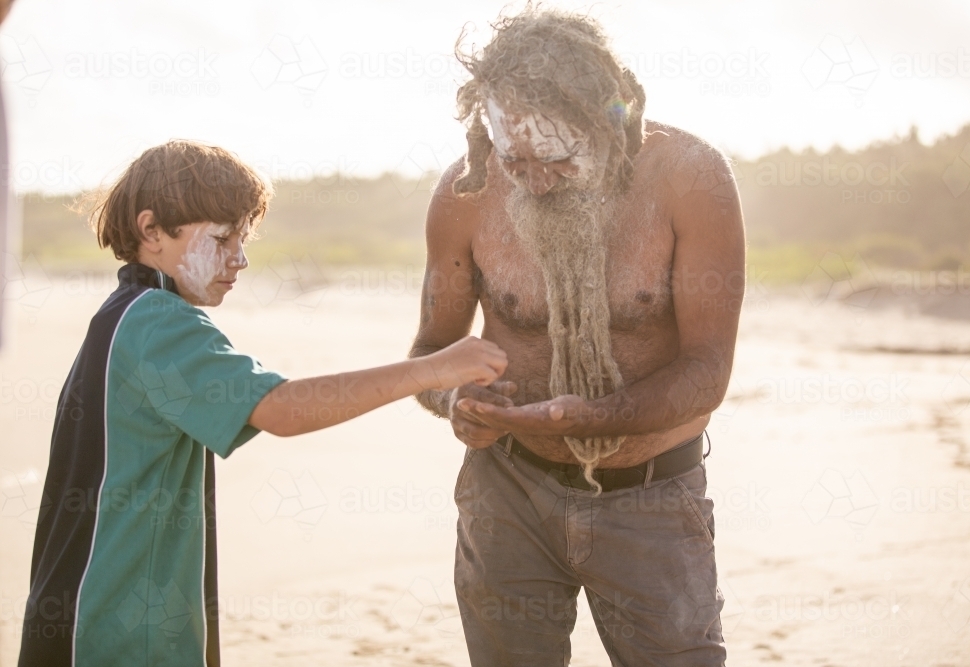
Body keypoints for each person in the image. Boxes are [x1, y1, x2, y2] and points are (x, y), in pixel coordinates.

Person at [18, 140, 507, 667]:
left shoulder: (122, 315)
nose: (241, 258)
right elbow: (282, 409)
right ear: (151, 230)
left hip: (83, 609)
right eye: (223, 239)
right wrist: (432, 368)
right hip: (118, 628)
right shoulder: (160, 323)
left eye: (243, 239)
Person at [409, 8, 745, 666]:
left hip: (652, 498)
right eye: (516, 160)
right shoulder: (466, 191)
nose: (533, 179)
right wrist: (457, 405)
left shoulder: (692, 179)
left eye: (557, 161)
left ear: (608, 119)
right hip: (506, 491)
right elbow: (428, 356)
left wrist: (592, 417)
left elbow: (709, 371)